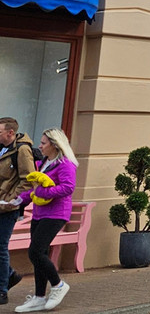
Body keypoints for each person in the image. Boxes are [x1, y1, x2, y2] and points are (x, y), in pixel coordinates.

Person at [11, 129, 77, 312]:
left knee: (35, 252)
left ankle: (58, 285)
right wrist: (19, 200)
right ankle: (39, 297)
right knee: (40, 254)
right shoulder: (45, 163)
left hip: (56, 213)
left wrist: (44, 192)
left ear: (54, 145)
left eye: (43, 143)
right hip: (40, 213)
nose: (39, 146)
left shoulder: (66, 164)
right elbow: (35, 188)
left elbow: (68, 187)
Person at [0, 118, 34, 306]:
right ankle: (10, 275)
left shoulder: (21, 150)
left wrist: (10, 200)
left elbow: (28, 180)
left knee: (0, 247)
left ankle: (2, 290)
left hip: (6, 208)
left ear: (10, 133)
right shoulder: (1, 148)